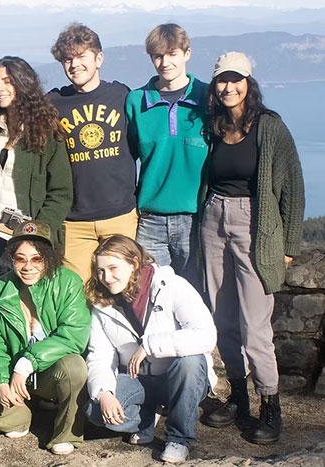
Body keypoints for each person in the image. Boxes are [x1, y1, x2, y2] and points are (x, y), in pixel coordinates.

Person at [200, 52, 305, 444]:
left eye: (236, 79)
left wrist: (289, 246)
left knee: (255, 325)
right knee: (223, 318)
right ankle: (238, 396)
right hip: (213, 219)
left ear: (248, 83)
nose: (229, 87)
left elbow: (293, 187)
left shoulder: (269, 126)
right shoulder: (213, 125)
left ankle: (270, 404)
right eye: (222, 80)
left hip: (254, 225)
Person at [84, 235, 217, 463]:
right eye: (100, 271)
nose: (106, 277)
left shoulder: (172, 286)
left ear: (134, 263)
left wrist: (150, 345)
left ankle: (179, 438)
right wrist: (104, 392)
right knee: (95, 412)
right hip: (138, 379)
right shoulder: (102, 304)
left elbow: (205, 335)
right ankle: (146, 416)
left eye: (113, 268)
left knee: (190, 362)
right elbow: (100, 356)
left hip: (179, 378)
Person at [0, 221, 90, 456]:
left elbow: (73, 336)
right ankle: (21, 416)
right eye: (20, 259)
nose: (28, 266)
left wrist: (25, 364)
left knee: (75, 367)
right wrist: (0, 382)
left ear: (49, 257)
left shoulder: (69, 282)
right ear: (11, 259)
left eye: (37, 259)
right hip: (13, 374)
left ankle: (66, 434)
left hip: (49, 372)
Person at [48, 23, 138, 284]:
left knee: (123, 287)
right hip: (75, 221)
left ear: (99, 59)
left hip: (120, 215)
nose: (74, 64)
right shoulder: (53, 104)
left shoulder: (122, 96)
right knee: (76, 291)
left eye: (81, 56)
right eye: (67, 59)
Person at [125, 23, 209, 285]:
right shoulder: (136, 101)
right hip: (150, 220)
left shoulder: (208, 98)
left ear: (187, 54)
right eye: (158, 56)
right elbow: (127, 158)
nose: (164, 63)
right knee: (150, 294)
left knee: (197, 294)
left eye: (172, 54)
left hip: (195, 218)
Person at [0, 56, 73, 269]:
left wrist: (35, 233)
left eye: (7, 81)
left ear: (23, 83)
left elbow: (61, 193)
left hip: (28, 233)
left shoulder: (45, 131)